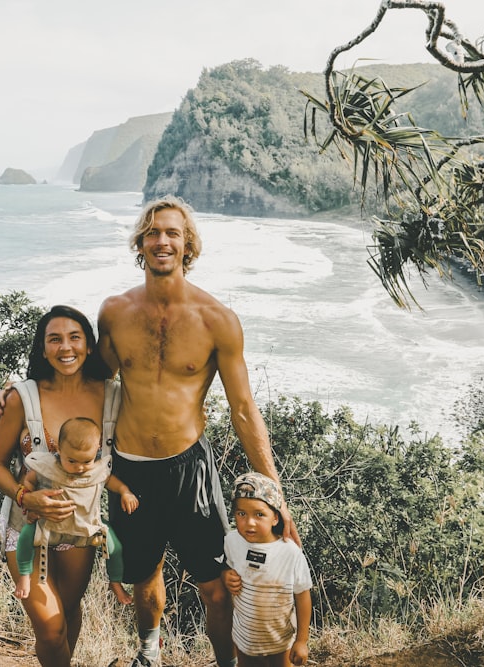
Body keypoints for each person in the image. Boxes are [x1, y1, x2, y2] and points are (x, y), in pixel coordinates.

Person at [97, 194, 300, 667]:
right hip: (129, 471)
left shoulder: (217, 321)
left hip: (189, 470)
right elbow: (87, 381)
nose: (161, 240)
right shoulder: (114, 312)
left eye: (172, 232)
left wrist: (275, 497)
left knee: (215, 586)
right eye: (152, 232)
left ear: (188, 244)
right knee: (143, 577)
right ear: (140, 243)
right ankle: (149, 654)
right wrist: (22, 390)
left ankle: (225, 663)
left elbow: (244, 410)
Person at [0, 304, 121, 667]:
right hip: (25, 524)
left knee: (69, 609)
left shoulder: (111, 395)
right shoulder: (21, 398)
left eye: (75, 337)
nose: (66, 347)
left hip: (78, 528)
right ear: (42, 348)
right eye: (55, 339)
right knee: (48, 626)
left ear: (89, 345)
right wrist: (26, 495)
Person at [14, 416, 138, 604]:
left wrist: (125, 492)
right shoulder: (48, 466)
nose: (79, 467)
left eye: (86, 461)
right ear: (59, 449)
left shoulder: (97, 469)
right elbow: (29, 480)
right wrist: (30, 501)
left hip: (88, 527)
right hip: (50, 526)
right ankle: (24, 575)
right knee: (25, 536)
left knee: (116, 547)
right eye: (71, 461)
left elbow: (110, 481)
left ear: (96, 451)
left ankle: (115, 581)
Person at [222, 472, 311, 667]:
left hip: (281, 640)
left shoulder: (290, 553)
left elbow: (303, 596)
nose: (249, 522)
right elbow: (226, 567)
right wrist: (226, 575)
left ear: (275, 518)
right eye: (241, 514)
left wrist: (302, 641)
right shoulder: (232, 541)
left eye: (259, 514)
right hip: (244, 638)